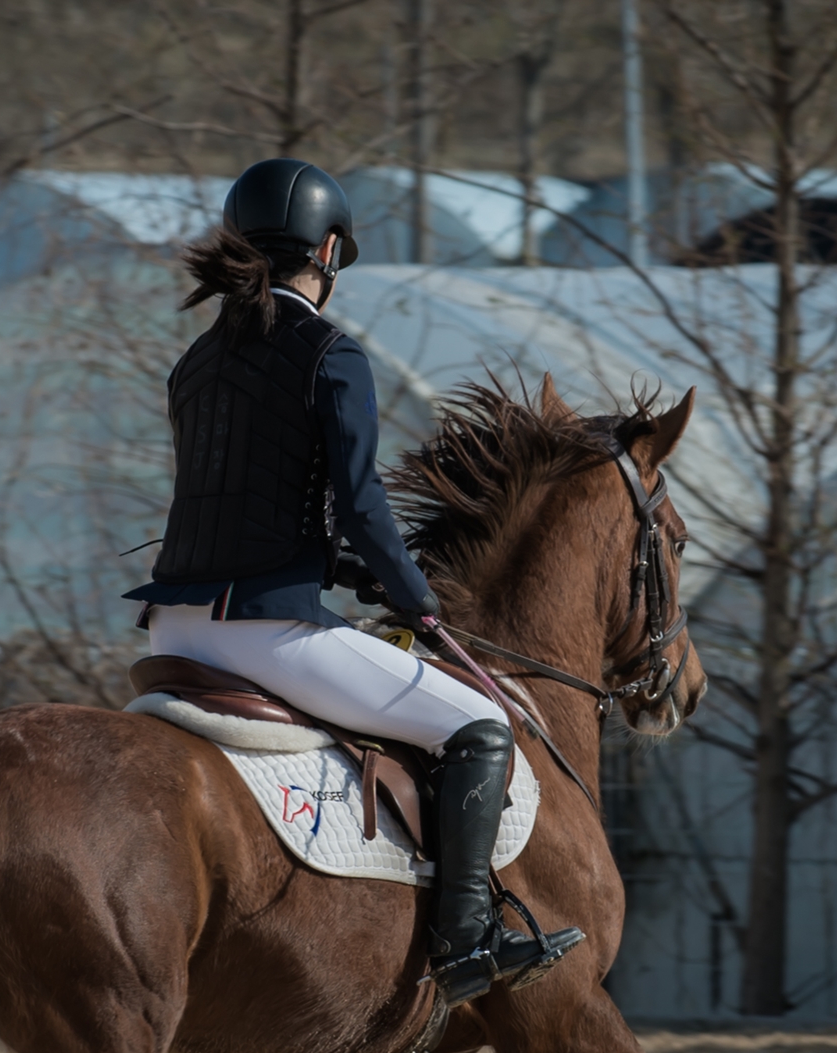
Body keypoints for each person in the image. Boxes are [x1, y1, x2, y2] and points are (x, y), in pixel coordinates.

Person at [126, 157, 582, 1006]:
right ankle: (464, 940)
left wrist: (334, 570)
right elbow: (363, 505)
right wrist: (416, 597)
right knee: (481, 723)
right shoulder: (330, 354)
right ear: (330, 251)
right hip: (267, 636)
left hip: (175, 630)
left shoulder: (193, 362)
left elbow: (244, 506)